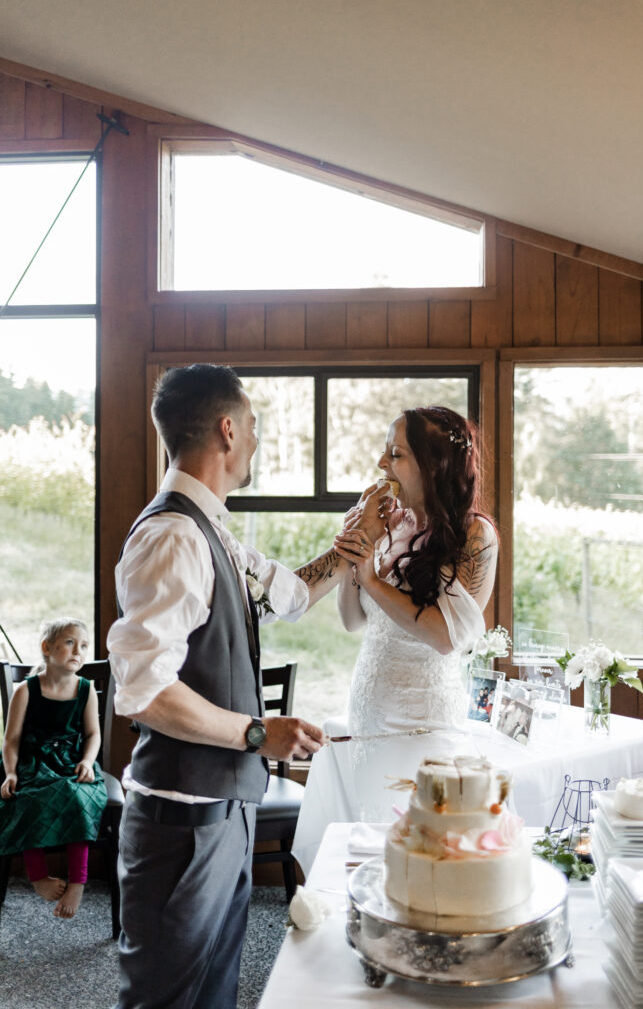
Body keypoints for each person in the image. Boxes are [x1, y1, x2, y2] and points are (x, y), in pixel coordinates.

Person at [107, 363, 383, 1009]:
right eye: (253, 427)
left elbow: (285, 594)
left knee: (212, 992)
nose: (256, 441)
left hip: (220, 806)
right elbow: (144, 690)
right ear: (228, 430)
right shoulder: (172, 536)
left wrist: (352, 547)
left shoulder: (212, 530)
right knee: (168, 996)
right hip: (180, 818)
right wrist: (259, 733)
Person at [292, 405, 498, 873]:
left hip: (420, 725)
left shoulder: (475, 536)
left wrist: (371, 577)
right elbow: (352, 619)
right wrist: (355, 551)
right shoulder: (395, 526)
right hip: (368, 712)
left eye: (395, 454)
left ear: (434, 464)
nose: (382, 465)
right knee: (366, 856)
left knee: (417, 857)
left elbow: (445, 637)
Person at [0, 617, 107, 919]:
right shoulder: (26, 690)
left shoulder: (85, 690)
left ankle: (78, 881)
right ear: (47, 647)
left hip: (72, 761)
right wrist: (10, 772)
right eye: (71, 642)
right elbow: (11, 738)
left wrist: (87, 761)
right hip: (32, 761)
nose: (79, 651)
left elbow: (93, 734)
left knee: (77, 798)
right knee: (28, 798)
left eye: (84, 645)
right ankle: (37, 876)